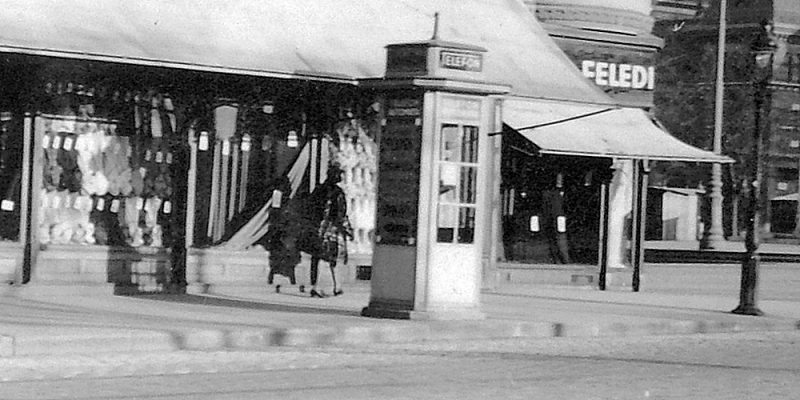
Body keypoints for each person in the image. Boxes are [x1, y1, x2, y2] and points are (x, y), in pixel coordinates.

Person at [297, 166, 353, 297]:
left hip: (317, 227)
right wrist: (347, 229)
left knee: (317, 257)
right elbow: (340, 213)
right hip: (331, 229)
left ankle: (318, 286)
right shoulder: (337, 192)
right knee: (332, 257)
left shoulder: (319, 189)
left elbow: (309, 207)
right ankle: (334, 286)